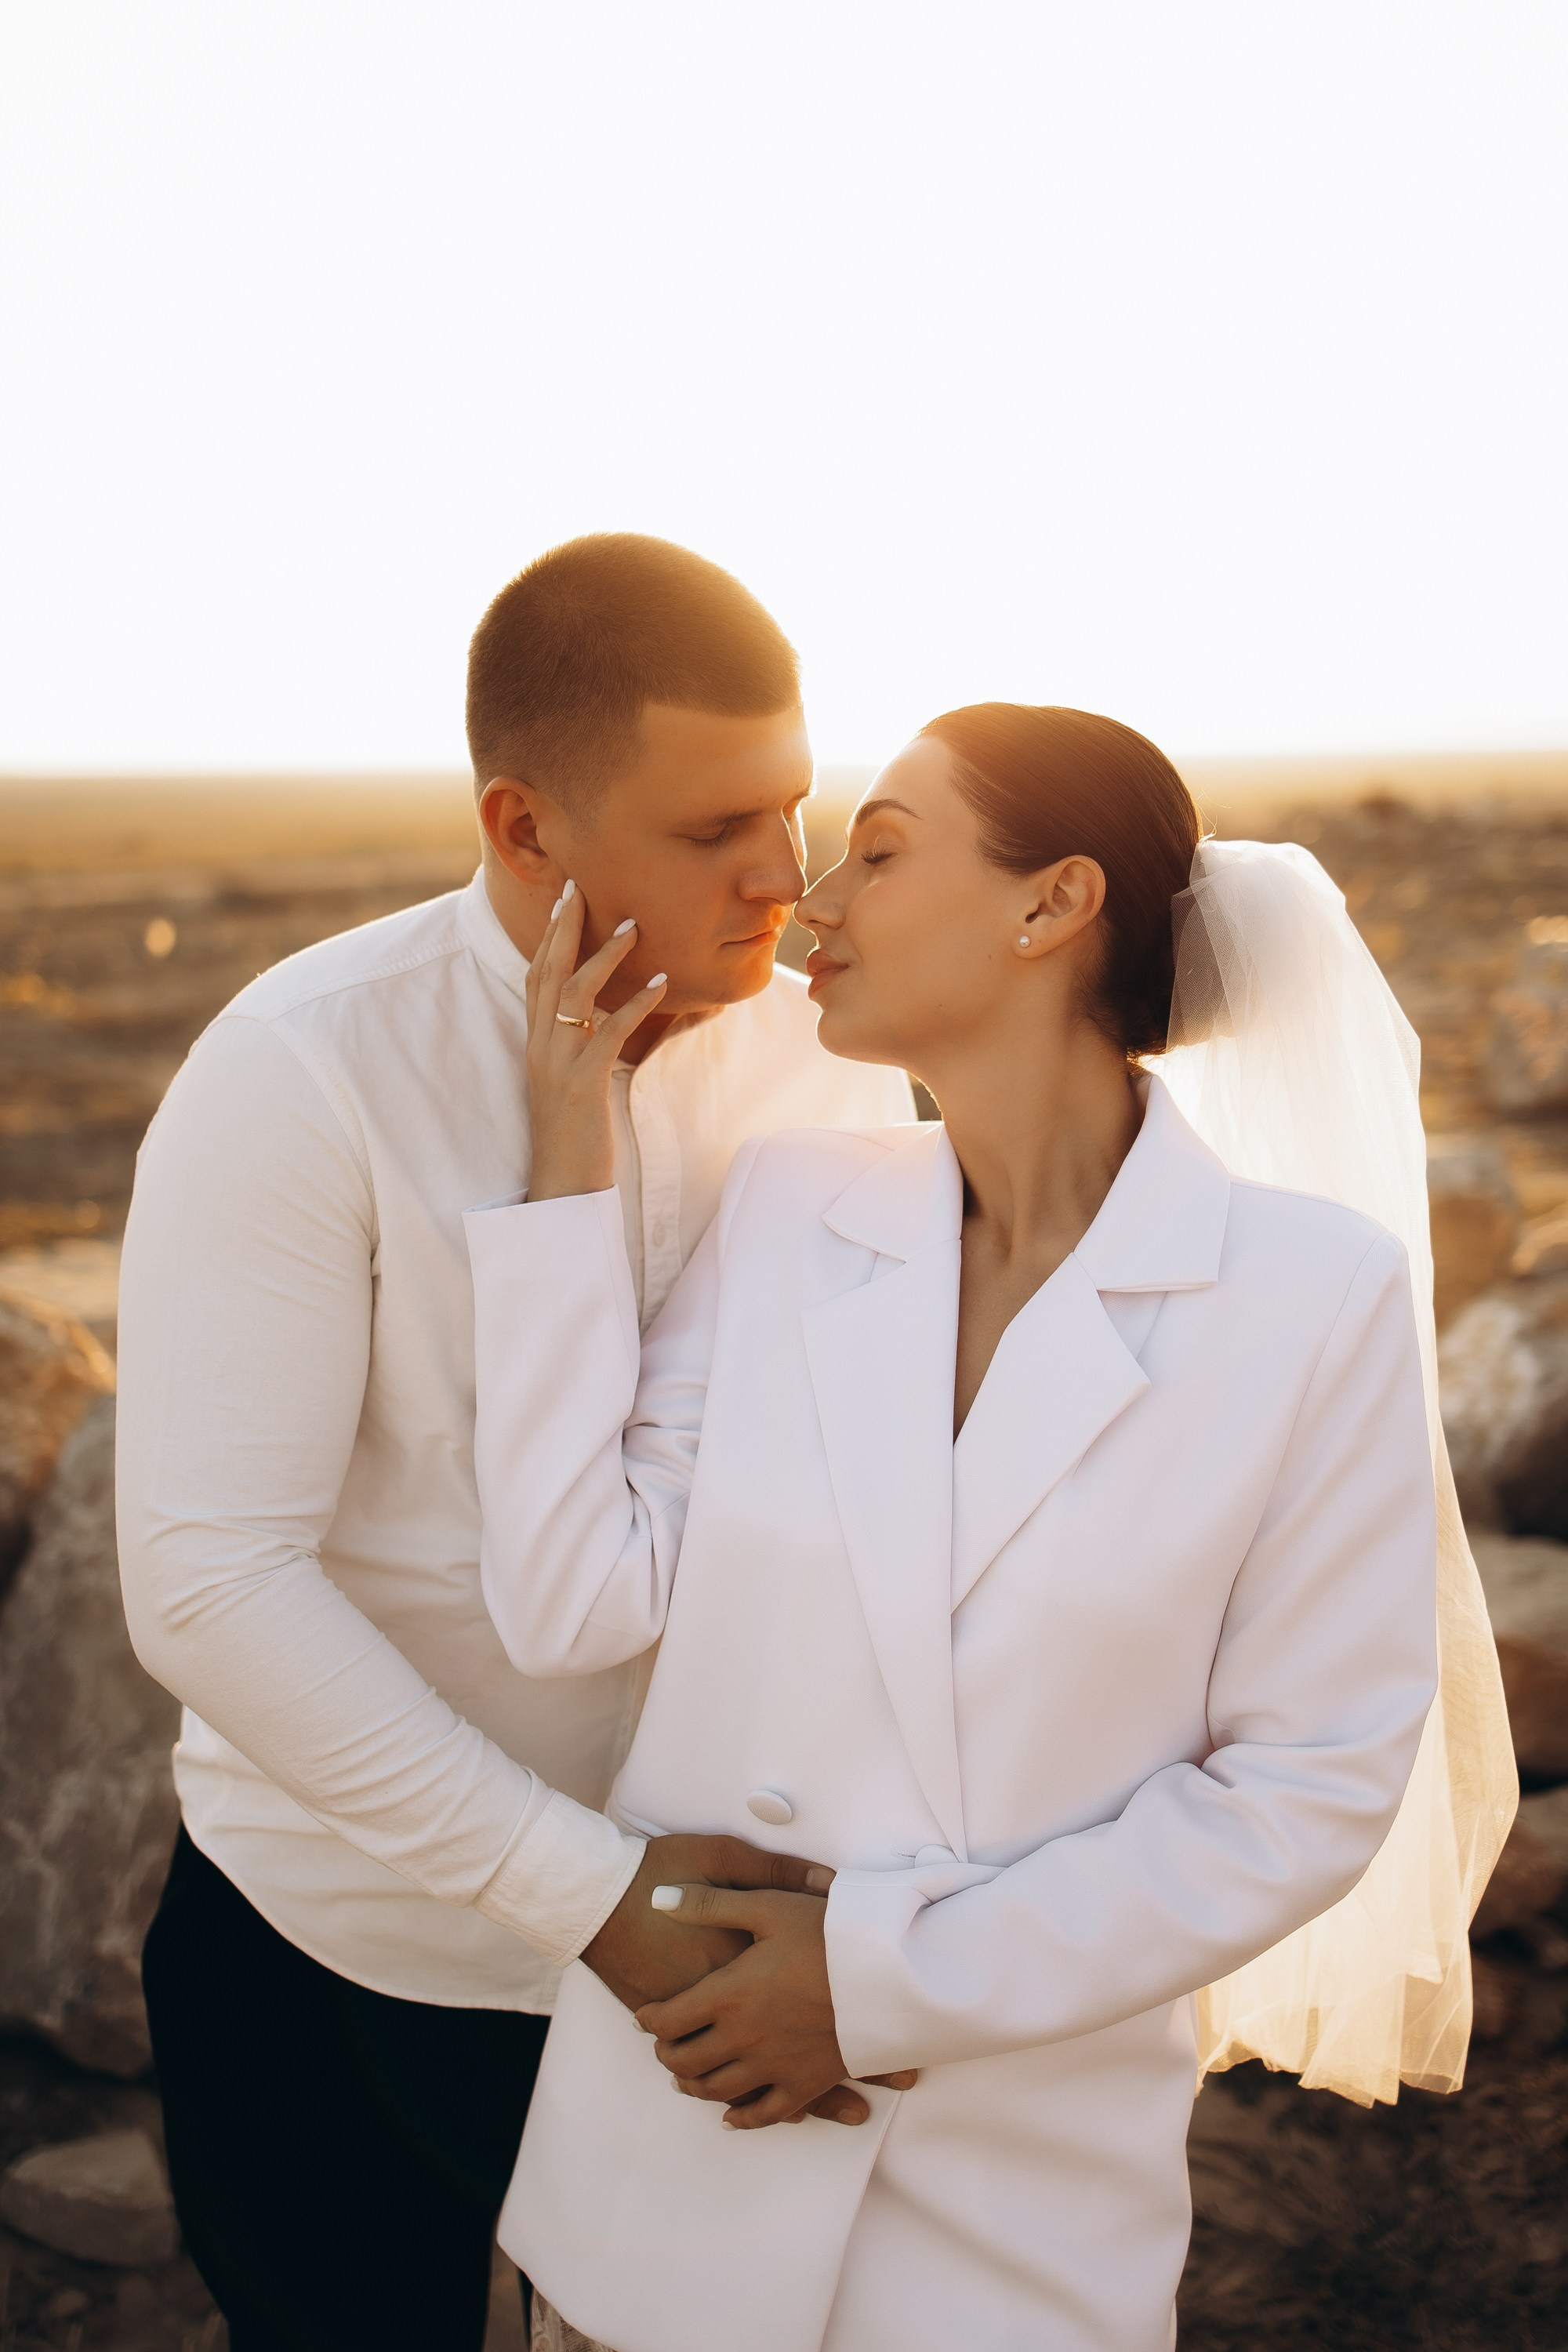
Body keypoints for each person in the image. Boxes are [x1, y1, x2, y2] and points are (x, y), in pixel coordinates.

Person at [465, 703, 1512, 2352]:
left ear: (1052, 905)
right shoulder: (791, 1209)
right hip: (655, 2189)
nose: (815, 905)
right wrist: (561, 1154)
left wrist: (875, 1987)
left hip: (1009, 2231)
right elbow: (563, 1593)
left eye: (878, 854)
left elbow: (1304, 1788)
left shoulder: (1307, 1302)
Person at [114, 535, 914, 2352]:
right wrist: (585, 1893)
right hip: (332, 1941)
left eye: (792, 811)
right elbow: (208, 1586)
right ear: (525, 827)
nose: (774, 882)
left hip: (711, 1963)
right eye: (713, 828)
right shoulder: (304, 1071)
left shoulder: (836, 1061)